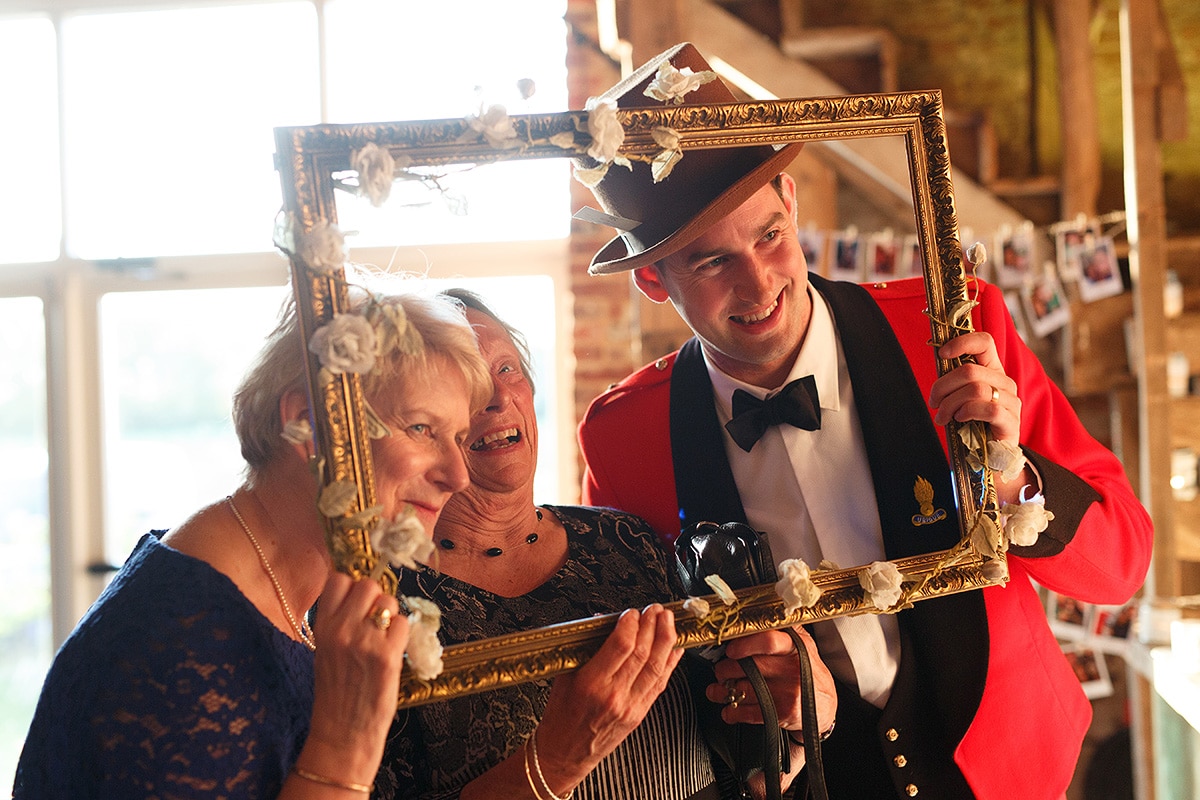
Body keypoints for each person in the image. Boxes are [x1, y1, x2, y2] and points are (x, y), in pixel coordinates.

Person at [575, 43, 1153, 800]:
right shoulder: (621, 435)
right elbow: (639, 671)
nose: (758, 285)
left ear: (790, 198)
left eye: (768, 237)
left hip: (1009, 769)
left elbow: (1122, 567)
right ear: (653, 278)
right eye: (711, 264)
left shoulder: (951, 325)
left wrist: (1012, 480)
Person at [13, 281, 492, 798]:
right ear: (310, 423)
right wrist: (345, 744)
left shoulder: (269, 595)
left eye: (460, 439)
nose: (458, 474)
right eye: (422, 429)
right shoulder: (185, 642)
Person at [372, 289, 836, 800]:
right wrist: (552, 762)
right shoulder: (378, 606)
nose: (498, 399)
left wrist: (797, 717)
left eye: (507, 369)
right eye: (467, 382)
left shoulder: (624, 540)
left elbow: (737, 756)